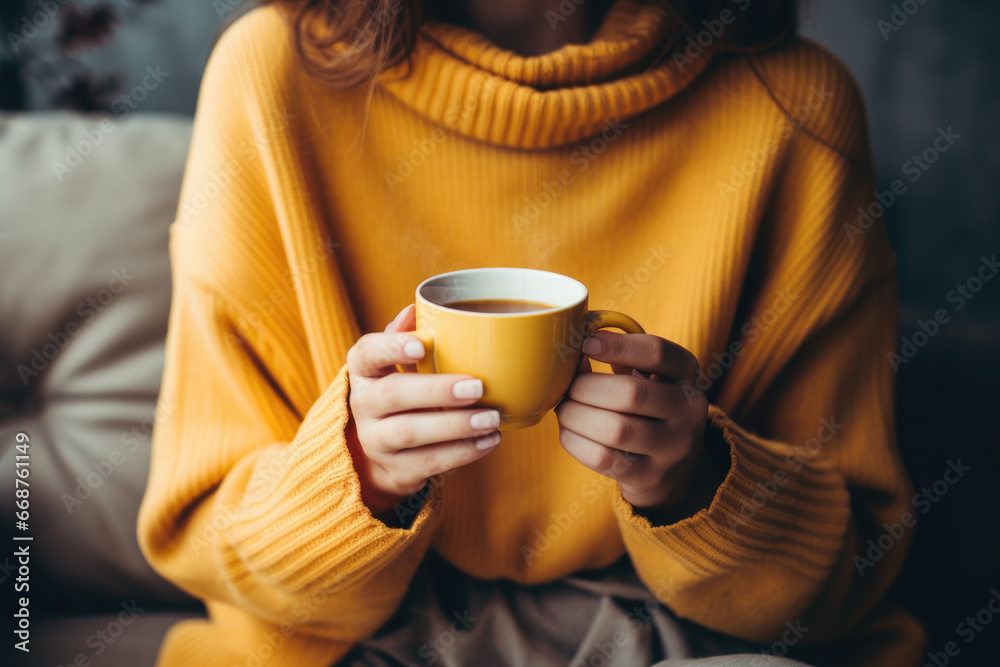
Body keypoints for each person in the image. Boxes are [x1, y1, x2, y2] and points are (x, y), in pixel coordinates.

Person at [137, 0, 925, 665]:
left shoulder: (796, 106)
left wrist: (698, 480)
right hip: (359, 639)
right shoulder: (272, 74)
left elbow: (850, 571)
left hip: (684, 637)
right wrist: (361, 477)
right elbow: (206, 525)